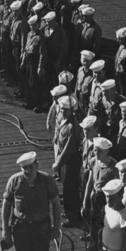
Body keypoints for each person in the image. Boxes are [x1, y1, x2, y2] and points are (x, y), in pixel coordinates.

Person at [1, 151, 61, 251]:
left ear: (37, 165)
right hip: (21, 228)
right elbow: (6, 205)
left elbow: (56, 204)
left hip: (41, 228)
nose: (27, 172)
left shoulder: (47, 181)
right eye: (24, 168)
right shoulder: (14, 181)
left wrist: (56, 228)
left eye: (30, 168)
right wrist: (5, 229)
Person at [53, 96, 83, 229]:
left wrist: (58, 163)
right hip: (65, 162)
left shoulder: (72, 125)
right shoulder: (65, 120)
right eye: (62, 109)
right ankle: (69, 212)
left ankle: (74, 218)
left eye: (65, 109)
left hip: (70, 162)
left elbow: (69, 148)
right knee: (66, 189)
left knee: (70, 190)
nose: (62, 111)